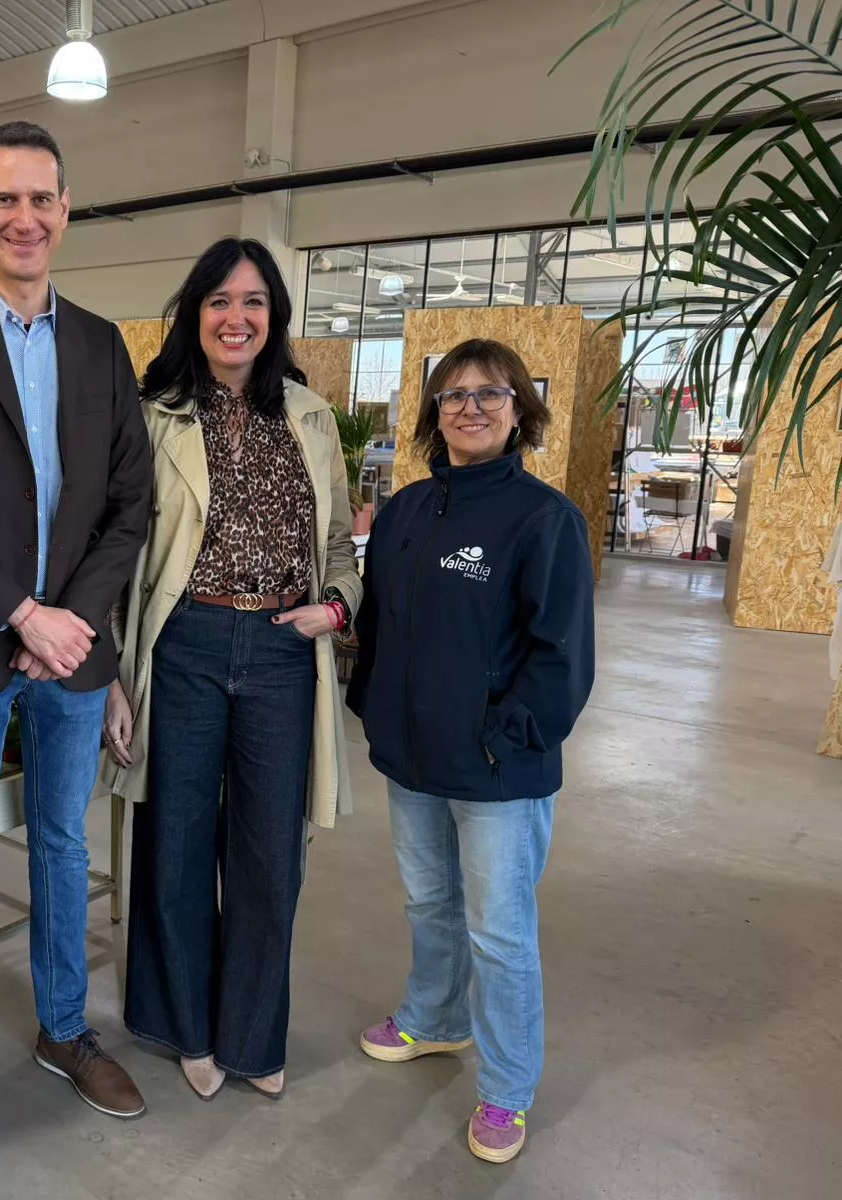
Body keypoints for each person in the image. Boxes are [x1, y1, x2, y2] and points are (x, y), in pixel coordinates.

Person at [0, 120, 153, 1163]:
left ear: (64, 210)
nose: (24, 216)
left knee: (60, 843)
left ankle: (62, 1030)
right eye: (4, 198)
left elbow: (129, 502)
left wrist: (72, 622)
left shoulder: (100, 343)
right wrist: (18, 612)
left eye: (41, 198)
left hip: (73, 655)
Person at [101, 237, 363, 1100]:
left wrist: (335, 606)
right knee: (175, 842)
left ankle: (252, 1035)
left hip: (286, 652)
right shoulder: (155, 413)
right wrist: (114, 670)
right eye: (219, 300)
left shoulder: (311, 417)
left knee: (268, 854)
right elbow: (122, 547)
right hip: (187, 645)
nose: (236, 318)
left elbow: (337, 550)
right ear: (195, 313)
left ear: (274, 316)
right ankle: (182, 1025)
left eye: (253, 302)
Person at [348, 337, 595, 1165]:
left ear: (521, 410)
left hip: (496, 770)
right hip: (412, 760)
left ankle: (508, 1088)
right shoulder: (409, 512)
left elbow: (560, 657)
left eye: (491, 394)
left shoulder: (544, 519)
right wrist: (373, 708)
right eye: (454, 396)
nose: (472, 409)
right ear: (433, 415)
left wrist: (506, 740)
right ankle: (437, 1017)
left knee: (499, 931)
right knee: (428, 903)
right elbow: (379, 623)